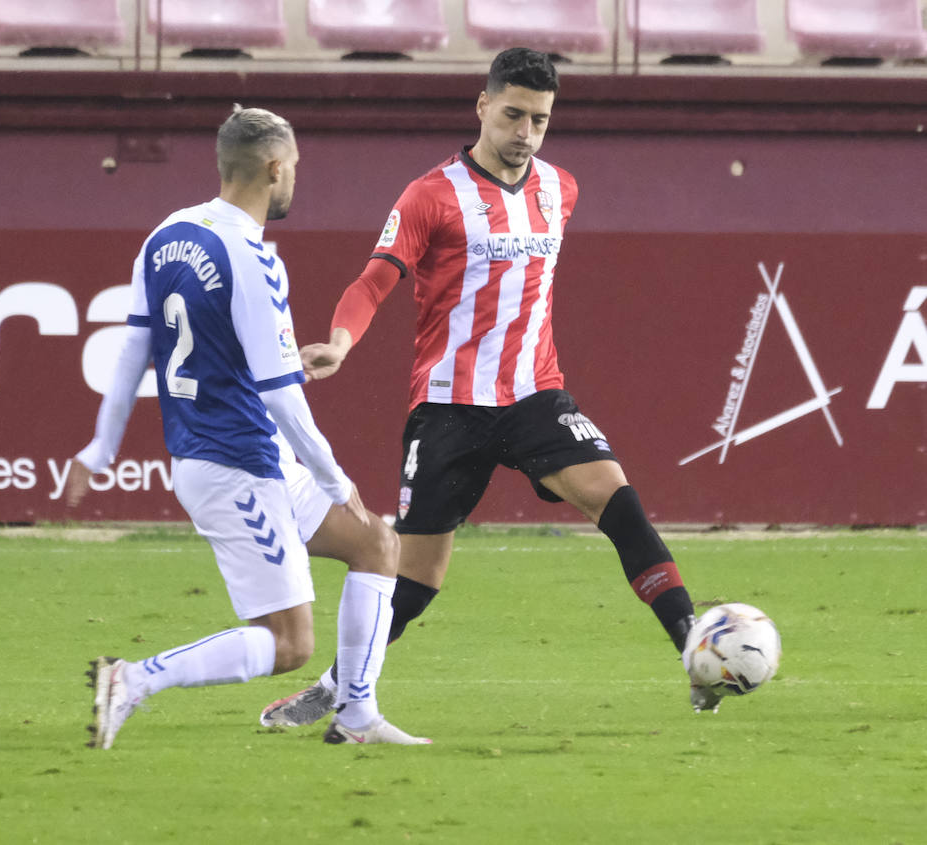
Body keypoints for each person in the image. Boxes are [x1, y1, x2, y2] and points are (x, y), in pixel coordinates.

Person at [260, 47, 716, 729]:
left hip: (536, 394)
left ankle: (694, 651)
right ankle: (337, 686)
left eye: (539, 119)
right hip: (448, 405)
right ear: (482, 105)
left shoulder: (561, 188)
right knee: (414, 583)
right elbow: (375, 278)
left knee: (619, 502)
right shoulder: (431, 194)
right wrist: (341, 342)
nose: (525, 131)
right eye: (513, 114)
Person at [75, 106, 429, 749]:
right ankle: (132, 679)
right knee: (289, 643)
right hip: (238, 466)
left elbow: (134, 352)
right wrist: (333, 473)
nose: (295, 178)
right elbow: (282, 398)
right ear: (274, 168)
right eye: (293, 168)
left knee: (377, 544)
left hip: (236, 455)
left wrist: (101, 446)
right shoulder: (254, 259)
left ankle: (356, 717)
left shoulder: (166, 235)